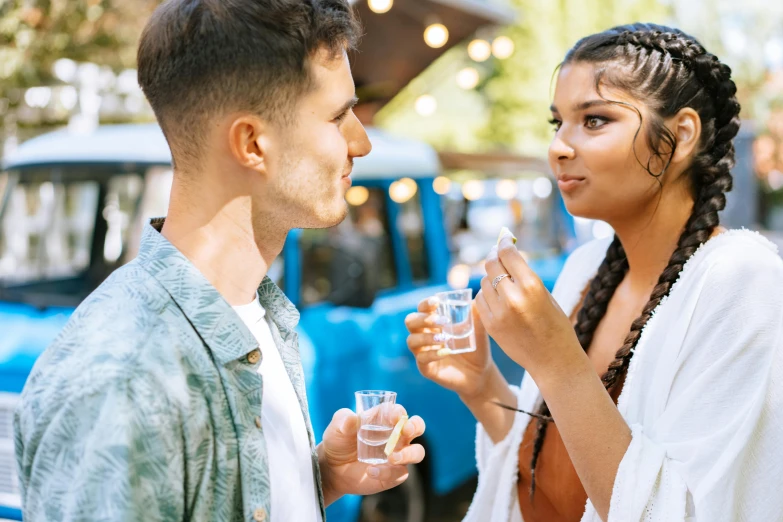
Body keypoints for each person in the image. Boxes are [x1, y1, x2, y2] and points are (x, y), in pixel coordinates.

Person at [14, 1, 425, 521]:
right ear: (252, 144)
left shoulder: (254, 316)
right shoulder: (123, 381)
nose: (360, 142)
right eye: (339, 115)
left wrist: (316, 475)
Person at [406, 23, 783, 522]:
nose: (559, 147)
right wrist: (482, 384)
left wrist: (558, 361)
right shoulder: (586, 270)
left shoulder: (741, 281)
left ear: (682, 135)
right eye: (556, 123)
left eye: (595, 120)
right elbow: (548, 476)